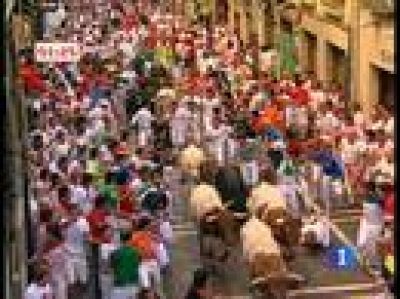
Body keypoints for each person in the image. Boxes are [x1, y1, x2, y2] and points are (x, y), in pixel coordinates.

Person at [110, 231, 141, 299]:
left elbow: (111, 267)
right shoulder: (136, 252)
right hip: (133, 284)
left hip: (119, 284)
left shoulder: (115, 253)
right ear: (130, 239)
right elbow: (138, 264)